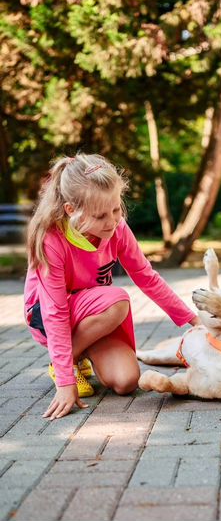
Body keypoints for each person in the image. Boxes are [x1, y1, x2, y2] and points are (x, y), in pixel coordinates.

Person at [24, 153, 199, 420]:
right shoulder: (52, 239)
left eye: (116, 209)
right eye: (101, 215)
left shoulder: (117, 228)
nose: (113, 220)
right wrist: (65, 381)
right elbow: (54, 311)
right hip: (48, 316)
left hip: (93, 313)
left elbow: (146, 276)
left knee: (127, 381)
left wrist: (193, 319)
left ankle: (81, 352)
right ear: (72, 210)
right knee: (118, 300)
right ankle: (66, 362)